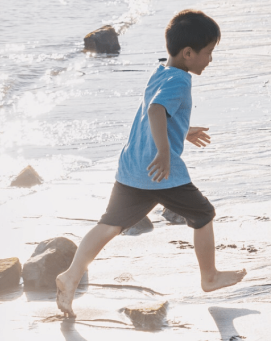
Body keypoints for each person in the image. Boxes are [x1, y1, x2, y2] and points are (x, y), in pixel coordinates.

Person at [55, 9, 246, 317]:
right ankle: (209, 276)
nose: (210, 59)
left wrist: (183, 131)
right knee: (203, 215)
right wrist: (165, 152)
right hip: (161, 172)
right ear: (187, 53)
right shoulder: (179, 81)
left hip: (132, 167)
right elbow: (157, 110)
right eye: (208, 52)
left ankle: (71, 274)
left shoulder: (162, 71)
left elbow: (156, 115)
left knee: (109, 224)